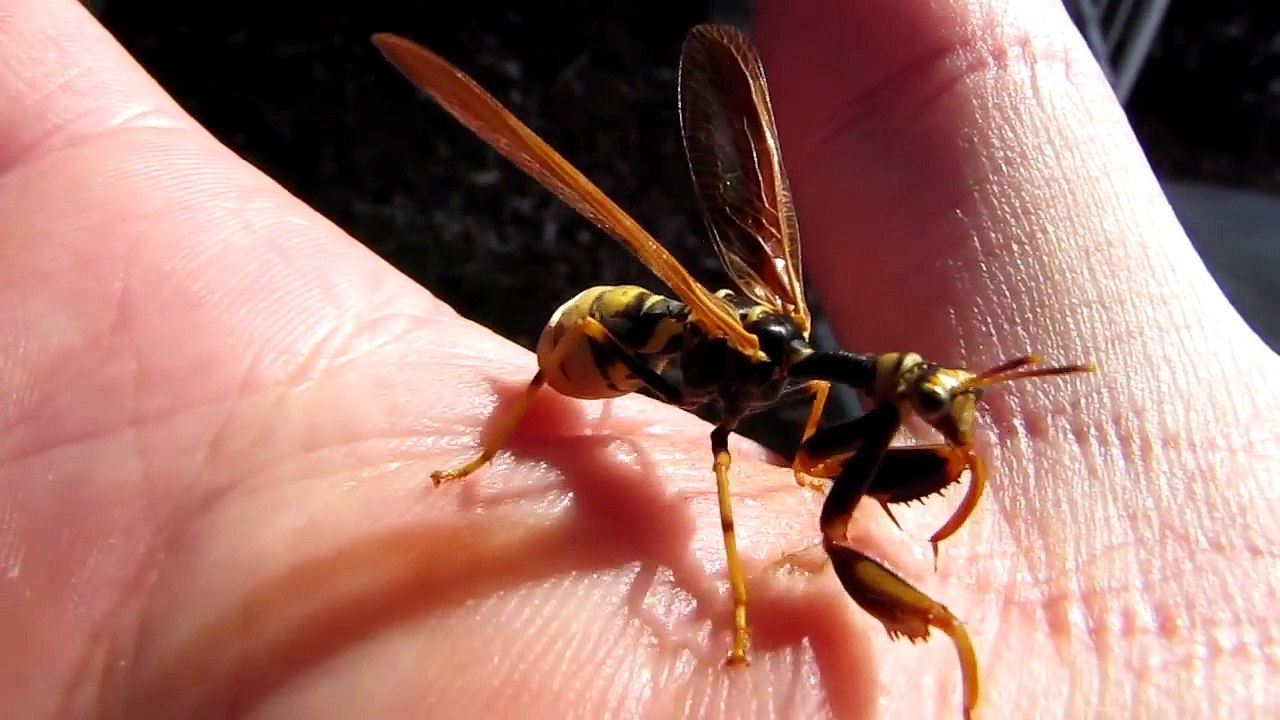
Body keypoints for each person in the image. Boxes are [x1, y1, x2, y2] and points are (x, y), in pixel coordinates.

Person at [2, 0, 1276, 717]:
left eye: (923, 406)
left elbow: (840, 467)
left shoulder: (832, 413)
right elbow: (727, 458)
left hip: (666, 368)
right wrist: (732, 603)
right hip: (592, 341)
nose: (922, 423)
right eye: (925, 401)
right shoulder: (753, 387)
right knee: (719, 442)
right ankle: (497, 450)